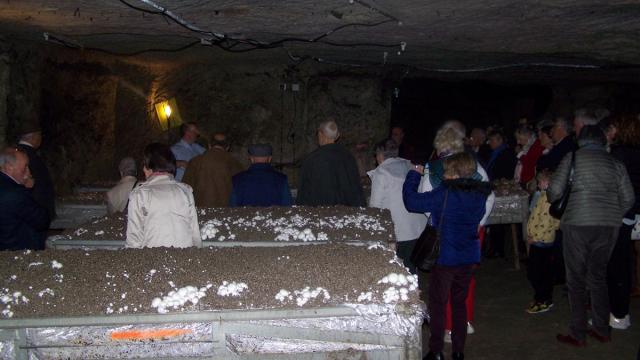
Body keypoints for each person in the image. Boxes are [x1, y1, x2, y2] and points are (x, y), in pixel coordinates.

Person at [549, 125, 634, 347]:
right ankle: (602, 329)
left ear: (581, 140)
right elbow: (629, 198)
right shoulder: (615, 163)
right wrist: (612, 213)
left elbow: (554, 191)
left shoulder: (573, 158)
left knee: (576, 279)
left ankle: (578, 333)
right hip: (608, 226)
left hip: (578, 223)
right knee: (598, 276)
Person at [404, 152, 491, 360]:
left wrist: (413, 176)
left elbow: (411, 202)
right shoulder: (480, 194)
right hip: (468, 256)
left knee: (438, 303)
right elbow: (477, 217)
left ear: (453, 170)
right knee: (459, 304)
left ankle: (436, 351)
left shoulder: (444, 193)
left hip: (445, 257)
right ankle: (458, 351)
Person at [418, 124, 494, 340]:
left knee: (444, 280)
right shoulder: (476, 167)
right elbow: (489, 197)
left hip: (446, 231)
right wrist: (477, 222)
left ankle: (449, 328)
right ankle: (465, 321)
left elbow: (425, 203)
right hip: (472, 231)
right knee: (466, 277)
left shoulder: (433, 168)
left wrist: (436, 220)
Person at [368, 140, 427, 274]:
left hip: (399, 231)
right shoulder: (410, 165)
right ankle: (413, 289)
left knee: (398, 269)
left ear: (380, 155)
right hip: (418, 227)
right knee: (411, 266)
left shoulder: (382, 173)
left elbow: (375, 208)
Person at [126, 143, 201, 248]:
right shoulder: (185, 191)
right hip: (184, 258)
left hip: (153, 258)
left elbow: (134, 239)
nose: (143, 169)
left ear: (149, 166)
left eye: (144, 164)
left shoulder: (140, 194)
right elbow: (195, 234)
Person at [605, 114, 640, 329]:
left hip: (620, 214)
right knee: (623, 262)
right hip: (631, 213)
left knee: (615, 265)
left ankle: (618, 315)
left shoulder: (620, 154)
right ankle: (620, 313)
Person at [297, 119, 365, 207]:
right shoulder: (348, 157)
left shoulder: (312, 160)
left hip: (320, 215)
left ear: (321, 134)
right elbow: (356, 190)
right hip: (346, 215)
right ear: (338, 136)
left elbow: (303, 193)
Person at [0, 147, 49, 250]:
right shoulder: (16, 194)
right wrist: (30, 190)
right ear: (9, 167)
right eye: (25, 167)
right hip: (16, 251)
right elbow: (41, 220)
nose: (29, 172)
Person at [526, 169, 560, 314]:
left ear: (548, 183)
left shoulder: (548, 199)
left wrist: (535, 236)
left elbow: (546, 221)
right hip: (541, 240)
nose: (538, 183)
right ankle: (543, 297)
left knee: (538, 273)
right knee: (541, 271)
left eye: (540, 181)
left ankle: (543, 299)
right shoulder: (544, 196)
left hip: (541, 241)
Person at [183, 133, 244, 207]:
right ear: (227, 147)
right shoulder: (235, 164)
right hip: (225, 212)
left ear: (209, 145)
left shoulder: (195, 161)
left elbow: (185, 189)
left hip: (200, 212)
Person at [17, 125, 55, 221]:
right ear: (34, 137)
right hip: (35, 208)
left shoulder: (22, 152)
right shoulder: (29, 155)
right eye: (40, 136)